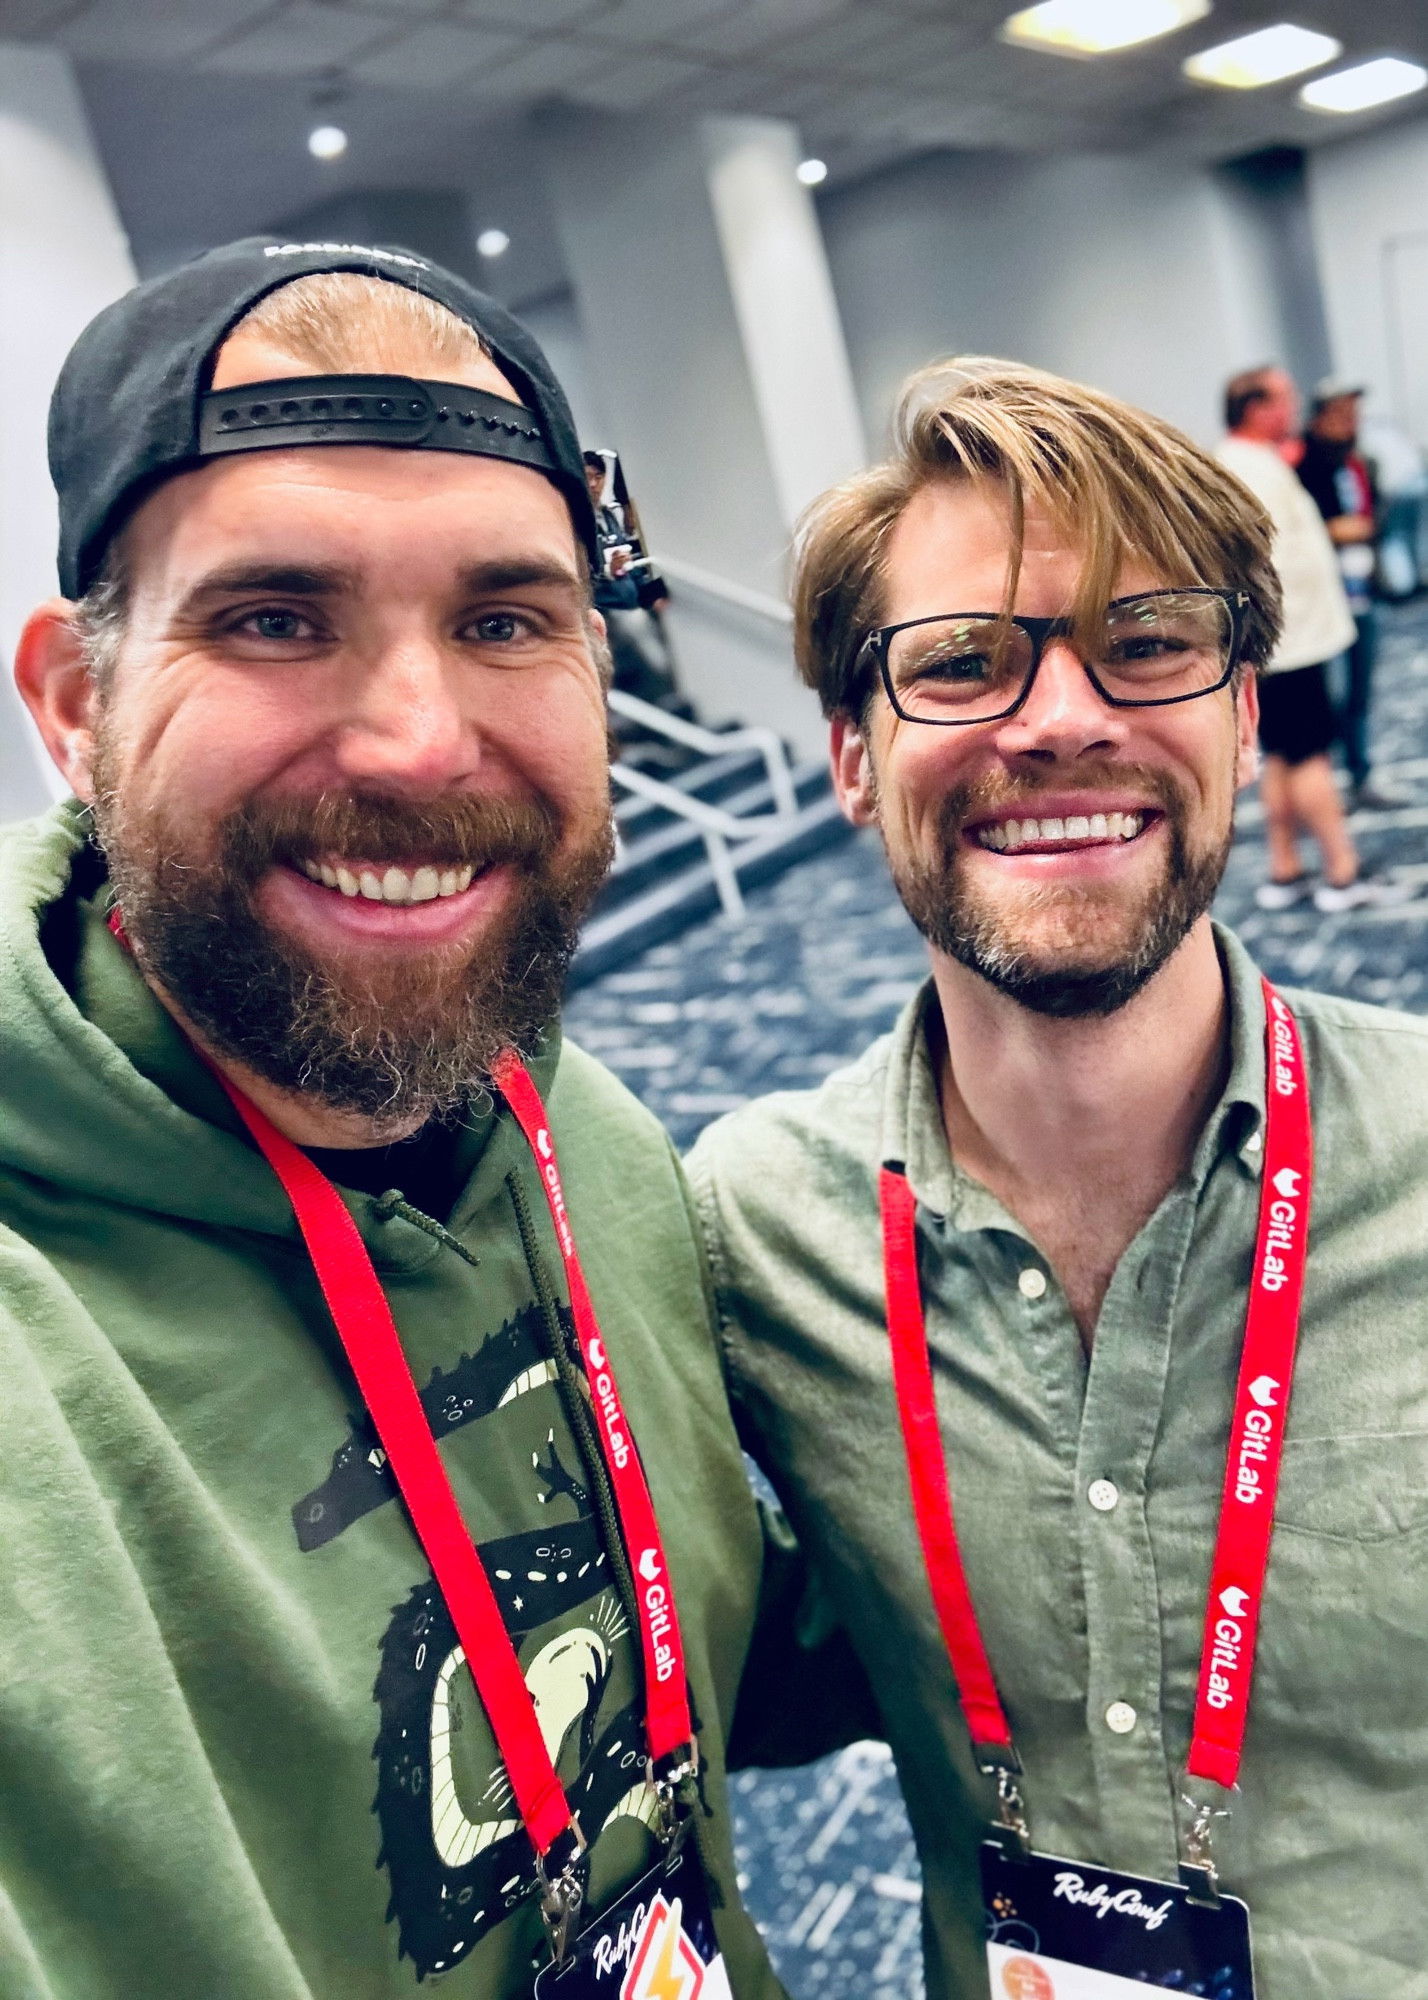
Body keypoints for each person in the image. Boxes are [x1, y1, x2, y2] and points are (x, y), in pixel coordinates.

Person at [1, 237, 863, 1999]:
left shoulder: (581, 1135)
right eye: (273, 617)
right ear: (78, 711)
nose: (412, 738)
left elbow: (714, 1650)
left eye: (501, 621)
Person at [688, 356, 1428, 2000]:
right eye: (957, 664)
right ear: (848, 758)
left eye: (1145, 642)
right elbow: (747, 1657)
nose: (1063, 717)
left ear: (1241, 710)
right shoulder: (750, 1232)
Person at [1218, 365, 1404, 911]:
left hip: (1287, 643)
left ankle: (1285, 869)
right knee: (1310, 758)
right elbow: (1268, 565)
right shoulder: (1249, 468)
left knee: (1279, 757)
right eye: (1285, 398)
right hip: (1291, 644)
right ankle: (1341, 874)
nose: (1294, 408)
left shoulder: (1252, 461)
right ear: (1256, 408)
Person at [1296, 378, 1399, 810]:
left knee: (1358, 690)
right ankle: (1321, 782)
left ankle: (1359, 773)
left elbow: (1371, 519)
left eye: (1353, 414)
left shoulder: (1358, 461)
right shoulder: (1302, 464)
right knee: (1323, 698)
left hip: (1361, 590)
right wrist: (1336, 529)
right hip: (1322, 598)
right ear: (1320, 417)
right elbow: (1304, 529)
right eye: (1340, 413)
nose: (1349, 422)